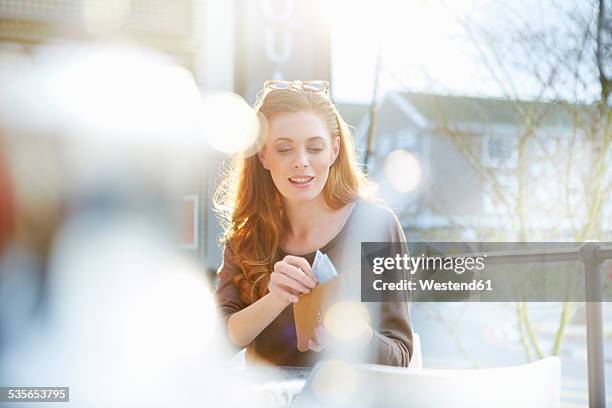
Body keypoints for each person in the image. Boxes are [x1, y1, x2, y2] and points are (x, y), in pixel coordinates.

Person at [213, 80, 413, 367]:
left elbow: (399, 357)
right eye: (284, 149)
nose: (301, 162)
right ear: (264, 155)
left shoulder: (376, 226)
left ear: (334, 150)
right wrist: (276, 298)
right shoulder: (247, 235)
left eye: (315, 148)